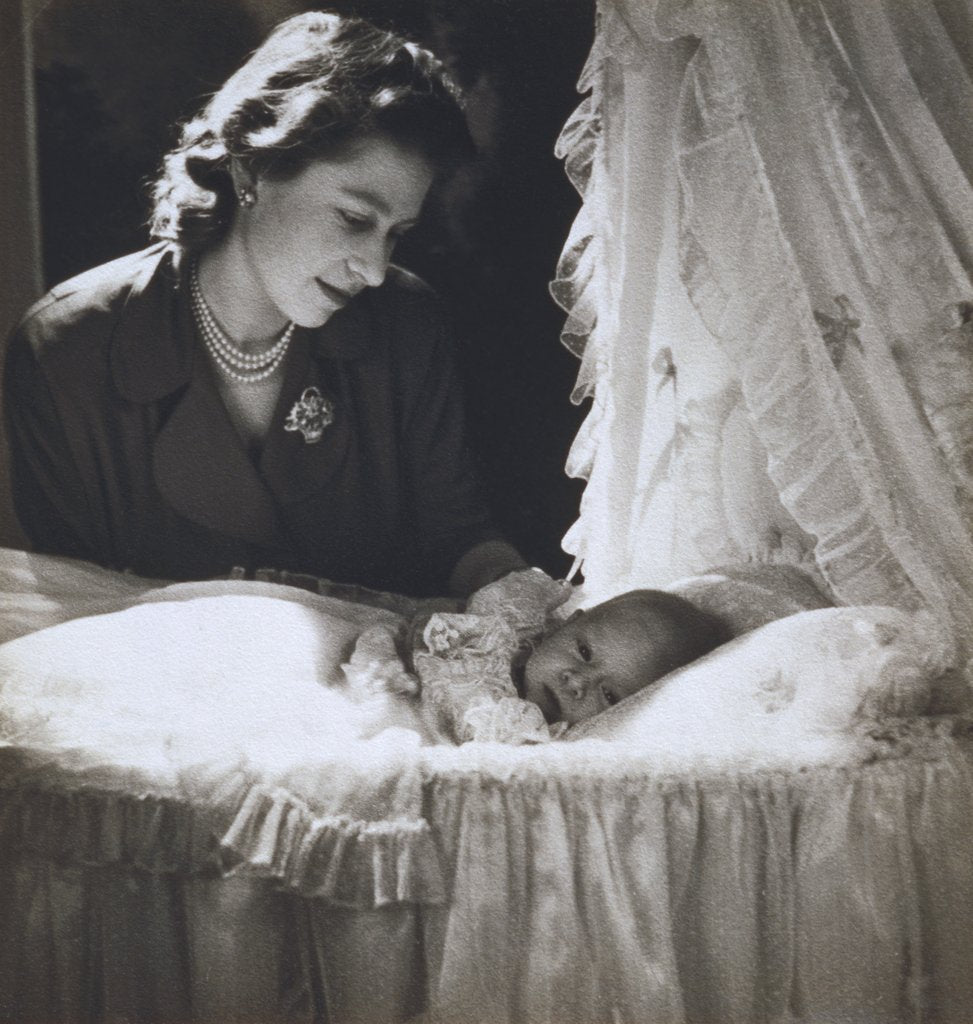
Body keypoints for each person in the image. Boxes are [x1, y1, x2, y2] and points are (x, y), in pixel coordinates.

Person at [4, 11, 527, 597]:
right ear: (253, 166)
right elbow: (75, 601)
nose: (375, 271)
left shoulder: (407, 326)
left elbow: (457, 535)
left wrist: (511, 587)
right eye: (355, 218)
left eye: (395, 232)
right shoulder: (64, 350)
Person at [523, 589, 731, 725]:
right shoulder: (501, 635)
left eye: (610, 696)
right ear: (565, 624)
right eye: (584, 652)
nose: (577, 682)